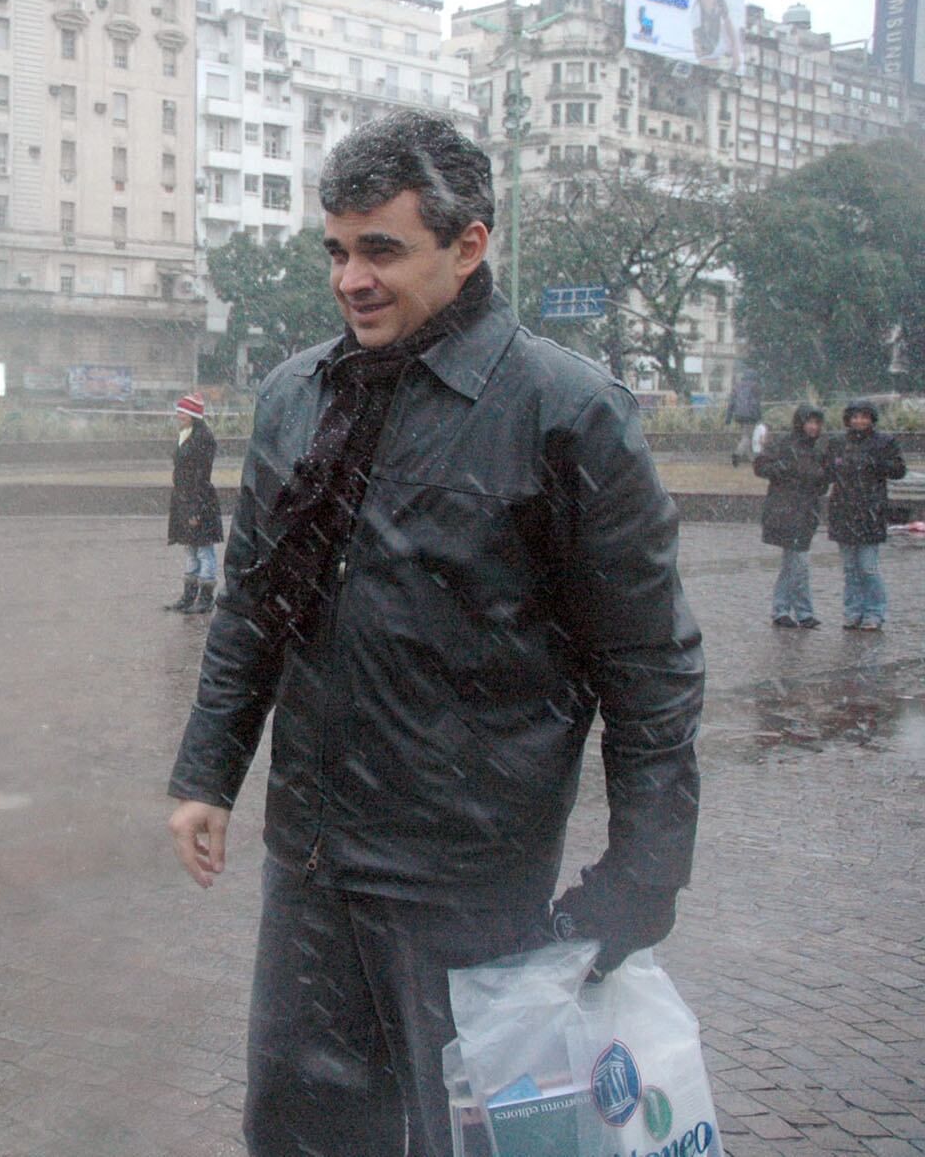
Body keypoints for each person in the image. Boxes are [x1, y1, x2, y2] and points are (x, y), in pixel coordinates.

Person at [164, 111, 703, 1156]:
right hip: (312, 863)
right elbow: (253, 609)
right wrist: (206, 775)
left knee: (471, 1138)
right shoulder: (294, 398)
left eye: (382, 250)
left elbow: (649, 671)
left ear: (469, 245)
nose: (351, 280)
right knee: (304, 1130)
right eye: (336, 250)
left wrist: (644, 876)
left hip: (470, 883)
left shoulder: (568, 412)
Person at [825, 400, 907, 631]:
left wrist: (876, 463)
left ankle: (875, 612)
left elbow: (899, 470)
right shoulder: (838, 443)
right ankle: (853, 611)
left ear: (871, 419)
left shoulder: (884, 442)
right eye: (855, 417)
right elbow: (828, 470)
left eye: (864, 417)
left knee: (868, 567)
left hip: (871, 511)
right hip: (843, 511)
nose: (859, 421)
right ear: (848, 419)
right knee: (850, 569)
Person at [754, 405, 827, 628]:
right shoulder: (784, 444)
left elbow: (822, 481)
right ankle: (804, 612)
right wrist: (783, 468)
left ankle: (781, 609)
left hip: (806, 513)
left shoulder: (818, 450)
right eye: (810, 422)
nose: (813, 427)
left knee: (792, 564)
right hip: (785, 513)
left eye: (817, 423)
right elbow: (761, 467)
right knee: (799, 563)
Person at [164, 391, 224, 615]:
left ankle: (205, 598)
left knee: (203, 550)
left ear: (192, 414)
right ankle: (189, 597)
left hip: (198, 501)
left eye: (182, 411)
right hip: (185, 499)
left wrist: (195, 508)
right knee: (191, 548)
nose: (178, 415)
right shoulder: (187, 434)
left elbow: (200, 475)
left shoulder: (202, 438)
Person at [726, 366, 762, 466]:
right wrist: (759, 416)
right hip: (750, 415)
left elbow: (731, 403)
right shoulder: (755, 386)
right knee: (747, 437)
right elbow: (756, 403)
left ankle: (751, 459)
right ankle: (737, 454)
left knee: (745, 436)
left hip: (739, 415)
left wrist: (728, 418)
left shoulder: (737, 386)